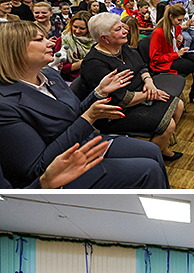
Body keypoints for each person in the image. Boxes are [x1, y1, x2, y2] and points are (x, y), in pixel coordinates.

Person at [0, 22, 169, 189]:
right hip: (62, 169)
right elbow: (37, 168)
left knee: (153, 151)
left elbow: (73, 113)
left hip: (83, 141)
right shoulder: (5, 104)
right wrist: (89, 117)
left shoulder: (49, 74)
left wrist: (99, 92)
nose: (51, 43)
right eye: (39, 39)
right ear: (15, 50)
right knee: (149, 170)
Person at [81, 13, 184, 163]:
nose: (125, 31)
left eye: (122, 27)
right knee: (168, 125)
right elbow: (120, 99)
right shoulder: (94, 64)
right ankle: (150, 159)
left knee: (178, 105)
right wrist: (150, 94)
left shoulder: (121, 47)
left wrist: (149, 82)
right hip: (115, 112)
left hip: (140, 94)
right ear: (105, 38)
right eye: (118, 29)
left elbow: (141, 66)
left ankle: (160, 147)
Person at [149, 3, 194, 105]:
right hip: (166, 62)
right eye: (178, 20)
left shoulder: (176, 27)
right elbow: (155, 58)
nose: (180, 23)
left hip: (176, 55)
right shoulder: (158, 32)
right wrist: (177, 54)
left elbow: (175, 47)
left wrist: (179, 43)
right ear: (171, 17)